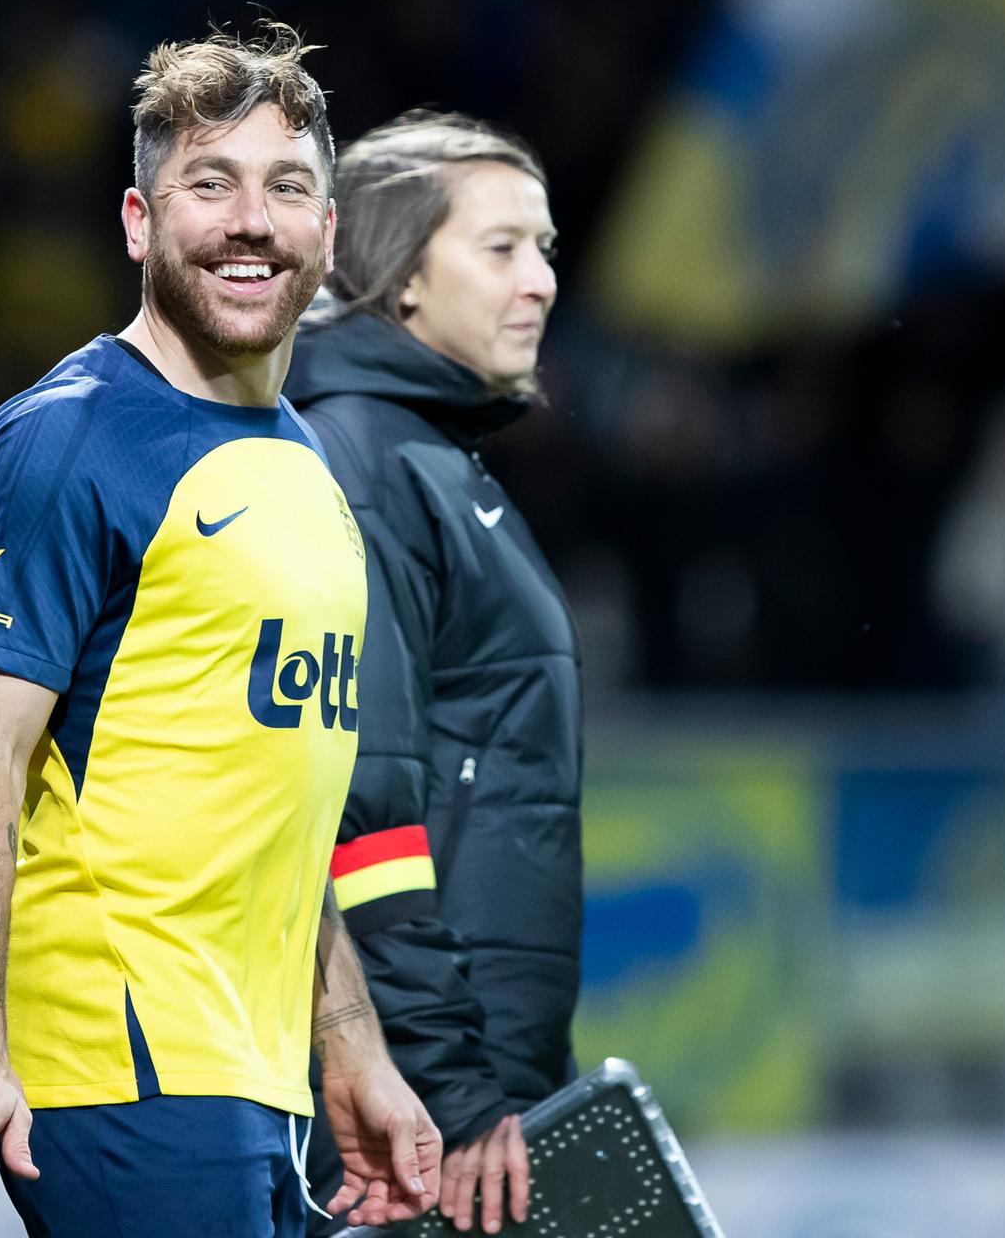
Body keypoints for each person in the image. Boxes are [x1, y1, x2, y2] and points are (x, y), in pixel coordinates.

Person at [0, 26, 442, 1235]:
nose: (250, 221)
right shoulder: (66, 437)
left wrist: (350, 1047)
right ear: (137, 220)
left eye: (287, 188)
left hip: (255, 1072)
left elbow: (278, 806)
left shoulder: (310, 470)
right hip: (125, 1062)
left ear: (328, 235)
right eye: (208, 184)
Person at [282, 111, 581, 1237]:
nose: (541, 280)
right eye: (501, 248)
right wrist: (455, 1092)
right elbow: (362, 803)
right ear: (401, 274)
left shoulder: (428, 458)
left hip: (464, 1086)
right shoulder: (364, 460)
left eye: (544, 248)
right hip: (419, 1112)